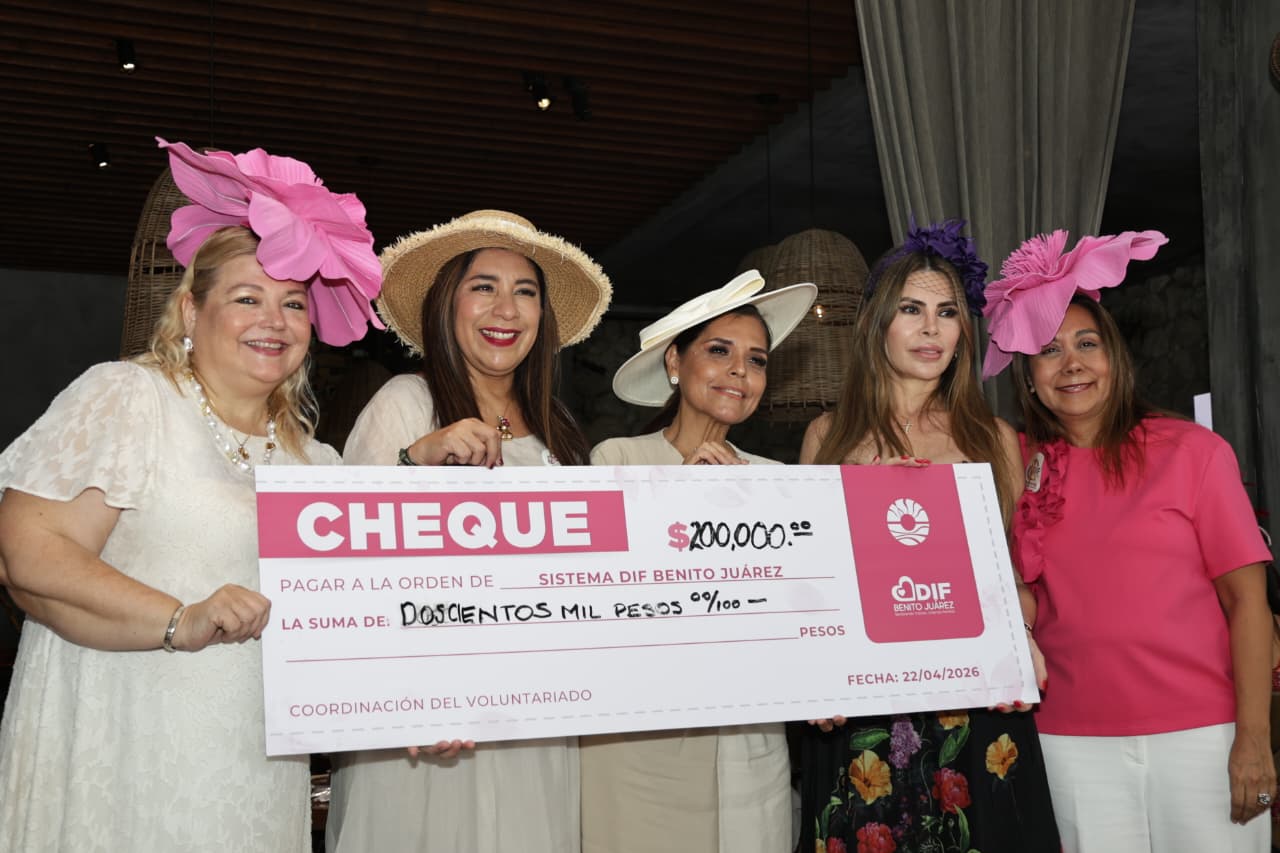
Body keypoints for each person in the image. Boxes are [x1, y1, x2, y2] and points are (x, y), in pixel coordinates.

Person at [0, 137, 382, 851]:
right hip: (128, 747)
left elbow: (349, 628)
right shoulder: (130, 398)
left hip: (253, 770)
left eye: (293, 303)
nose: (274, 320)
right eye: (247, 298)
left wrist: (420, 704)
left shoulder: (315, 464)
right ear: (189, 310)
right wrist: (180, 617)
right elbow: (29, 554)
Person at [324, 209, 612, 853]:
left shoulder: (559, 429)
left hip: (535, 712)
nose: (506, 309)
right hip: (428, 718)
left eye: (525, 291)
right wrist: (414, 461)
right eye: (484, 286)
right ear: (446, 304)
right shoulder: (407, 401)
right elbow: (343, 560)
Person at [983, 228, 1276, 852]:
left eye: (1087, 344)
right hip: (1069, 743)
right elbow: (1016, 595)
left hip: (1202, 736)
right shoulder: (1013, 463)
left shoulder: (1193, 452)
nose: (1072, 364)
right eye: (1049, 350)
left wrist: (1254, 738)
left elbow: (1248, 602)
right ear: (1028, 377)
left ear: (1115, 358)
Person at [797, 220, 1060, 853]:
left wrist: (1022, 638)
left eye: (947, 313)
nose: (931, 329)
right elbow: (814, 585)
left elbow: (1009, 575)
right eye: (911, 309)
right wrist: (814, 674)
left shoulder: (992, 438)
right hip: (864, 705)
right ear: (876, 323)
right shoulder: (829, 437)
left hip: (974, 701)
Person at [579, 270, 816, 852]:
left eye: (756, 360)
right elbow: (600, 608)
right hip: (639, 749)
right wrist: (679, 505)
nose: (740, 371)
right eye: (719, 351)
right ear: (674, 363)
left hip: (746, 743)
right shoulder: (617, 461)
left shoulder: (776, 480)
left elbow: (800, 614)